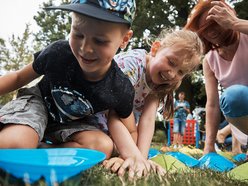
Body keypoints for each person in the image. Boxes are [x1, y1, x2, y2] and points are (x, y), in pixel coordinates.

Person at [0, 0, 137, 161]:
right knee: (16, 145)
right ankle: (23, 139)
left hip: (70, 123)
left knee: (101, 148)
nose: (85, 49)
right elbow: (18, 77)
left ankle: (40, 148)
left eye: (99, 41)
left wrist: (124, 157)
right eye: (78, 34)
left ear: (124, 39)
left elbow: (131, 130)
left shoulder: (119, 87)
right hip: (38, 104)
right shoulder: (58, 53)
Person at [102, 28, 204, 175]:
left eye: (181, 72)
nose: (172, 73)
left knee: (116, 149)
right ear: (155, 48)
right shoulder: (132, 64)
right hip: (99, 118)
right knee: (102, 148)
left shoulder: (162, 83)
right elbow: (114, 115)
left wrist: (140, 159)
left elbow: (148, 119)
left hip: (122, 129)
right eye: (171, 62)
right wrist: (132, 155)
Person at [184, 0, 248, 155]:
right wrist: (209, 147)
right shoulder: (210, 60)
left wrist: (235, 23)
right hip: (243, 120)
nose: (210, 32)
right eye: (204, 29)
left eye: (215, 23)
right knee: (234, 96)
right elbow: (212, 105)